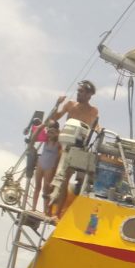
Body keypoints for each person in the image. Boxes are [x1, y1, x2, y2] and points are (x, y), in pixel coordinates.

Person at [50, 80, 100, 220]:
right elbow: (55, 118)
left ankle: (57, 214)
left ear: (89, 95)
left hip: (78, 149)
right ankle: (49, 211)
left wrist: (99, 130)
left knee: (65, 181)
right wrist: (57, 104)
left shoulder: (93, 111)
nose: (78, 93)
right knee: (53, 178)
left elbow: (95, 126)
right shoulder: (70, 105)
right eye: (78, 91)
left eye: (81, 91)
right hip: (62, 146)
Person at [33, 121, 61, 214]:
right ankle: (33, 208)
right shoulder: (46, 139)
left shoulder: (59, 143)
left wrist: (57, 133)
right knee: (37, 186)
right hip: (41, 164)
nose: (50, 134)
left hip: (49, 167)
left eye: (53, 132)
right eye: (49, 131)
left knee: (46, 189)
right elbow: (35, 135)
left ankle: (45, 211)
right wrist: (44, 125)